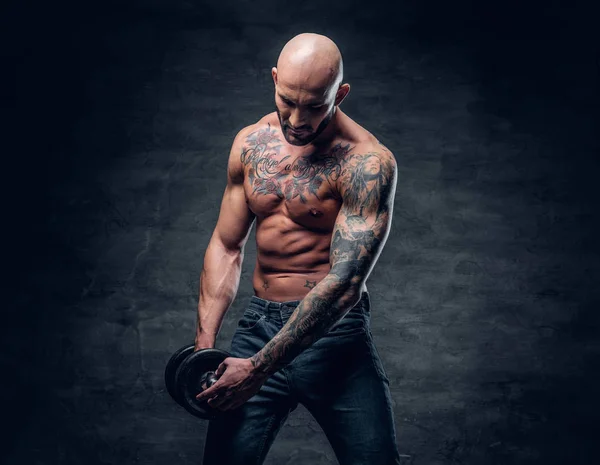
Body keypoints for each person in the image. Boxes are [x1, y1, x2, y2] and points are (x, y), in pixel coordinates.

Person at [194, 32, 401, 465]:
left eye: (314, 106)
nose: (298, 119)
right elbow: (227, 245)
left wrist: (257, 370)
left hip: (333, 336)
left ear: (340, 94)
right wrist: (204, 347)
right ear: (274, 79)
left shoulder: (366, 162)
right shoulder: (251, 143)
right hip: (257, 328)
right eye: (287, 100)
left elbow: (345, 284)